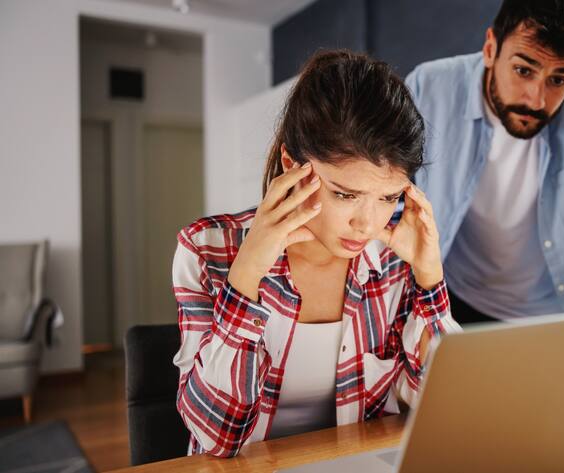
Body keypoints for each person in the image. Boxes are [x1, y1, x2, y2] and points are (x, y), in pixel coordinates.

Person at [171, 50, 460, 458]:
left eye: (388, 197)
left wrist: (430, 278)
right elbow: (217, 436)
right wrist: (249, 269)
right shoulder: (207, 250)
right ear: (293, 164)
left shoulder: (395, 261)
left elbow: (446, 408)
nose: (367, 223)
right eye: (345, 194)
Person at [406, 0, 564, 324]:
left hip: (549, 313)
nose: (537, 99)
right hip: (450, 296)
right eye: (523, 70)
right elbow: (387, 198)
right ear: (490, 49)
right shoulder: (429, 87)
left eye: (559, 80)